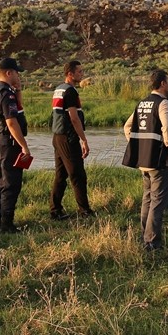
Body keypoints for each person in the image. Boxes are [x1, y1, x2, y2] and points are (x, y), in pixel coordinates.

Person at [122, 69, 168, 251]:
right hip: (159, 160)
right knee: (158, 201)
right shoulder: (163, 103)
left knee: (147, 199)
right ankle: (151, 242)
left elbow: (127, 126)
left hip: (143, 160)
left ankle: (145, 235)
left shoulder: (142, 103)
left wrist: (139, 144)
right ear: (162, 83)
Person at [0, 57, 33, 233]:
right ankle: (6, 226)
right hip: (9, 143)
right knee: (11, 184)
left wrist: (19, 92)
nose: (18, 75)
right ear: (9, 73)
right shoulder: (6, 94)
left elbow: (16, 110)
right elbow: (12, 122)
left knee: (1, 183)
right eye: (16, 72)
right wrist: (24, 146)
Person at [50, 59, 94, 219]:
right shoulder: (70, 91)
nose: (82, 74)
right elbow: (74, 118)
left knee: (61, 175)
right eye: (79, 72)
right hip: (68, 138)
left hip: (57, 137)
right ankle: (85, 211)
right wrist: (84, 140)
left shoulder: (58, 89)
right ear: (70, 74)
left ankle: (55, 210)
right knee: (78, 175)